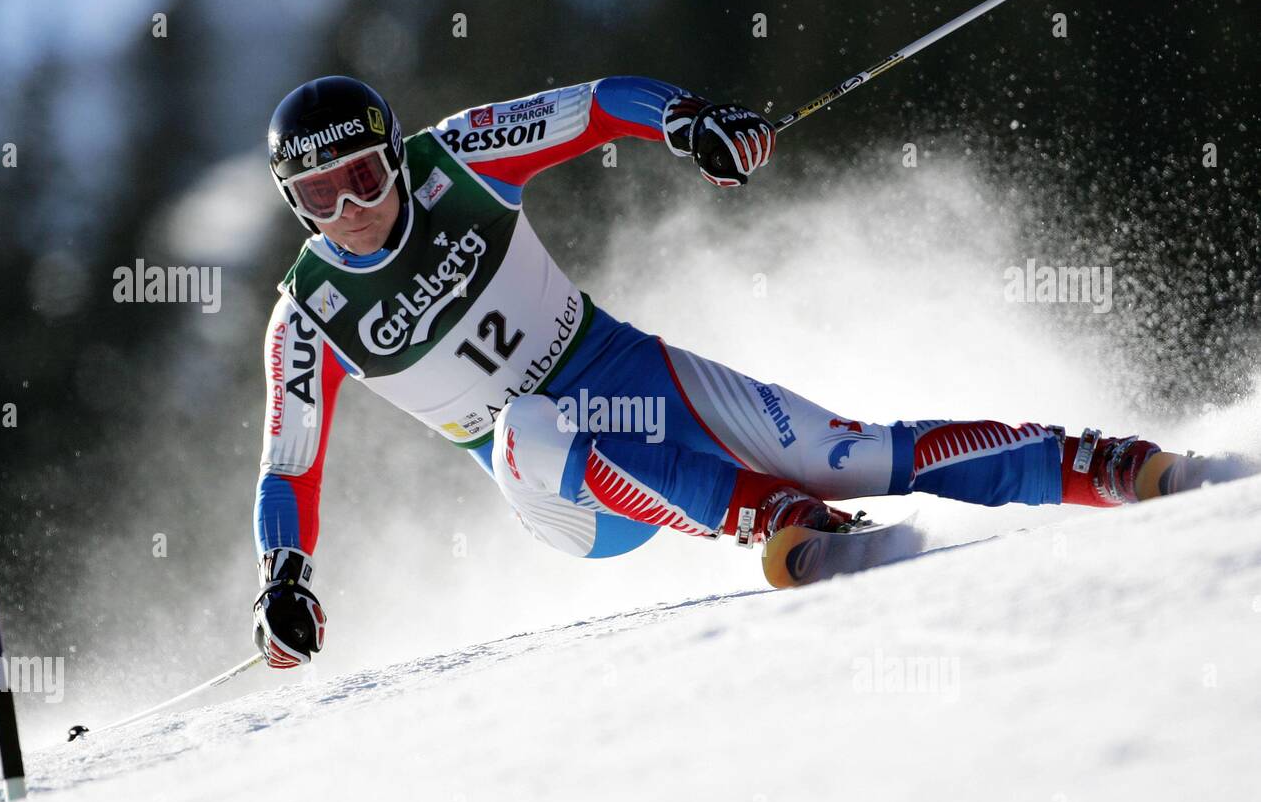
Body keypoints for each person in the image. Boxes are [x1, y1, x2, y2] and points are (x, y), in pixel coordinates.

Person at [251, 74, 1208, 669]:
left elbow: (593, 104)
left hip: (629, 372)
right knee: (525, 424)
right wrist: (282, 582)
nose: (352, 209)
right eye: (320, 197)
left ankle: (1114, 467)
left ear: (394, 155)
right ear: (297, 207)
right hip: (563, 495)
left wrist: (687, 120)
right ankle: (773, 520)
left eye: (367, 178)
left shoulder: (457, 156)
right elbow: (287, 468)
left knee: (856, 452)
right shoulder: (306, 314)